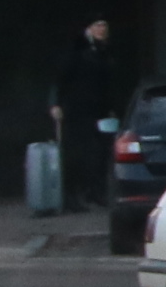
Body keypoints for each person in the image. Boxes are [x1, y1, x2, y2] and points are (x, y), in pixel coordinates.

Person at [48, 19, 116, 213]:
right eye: (97, 26)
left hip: (98, 110)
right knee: (76, 153)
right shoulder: (77, 50)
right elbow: (60, 77)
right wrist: (55, 103)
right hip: (76, 110)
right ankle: (71, 197)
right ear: (88, 29)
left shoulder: (104, 51)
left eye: (104, 25)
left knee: (99, 152)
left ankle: (94, 191)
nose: (102, 29)